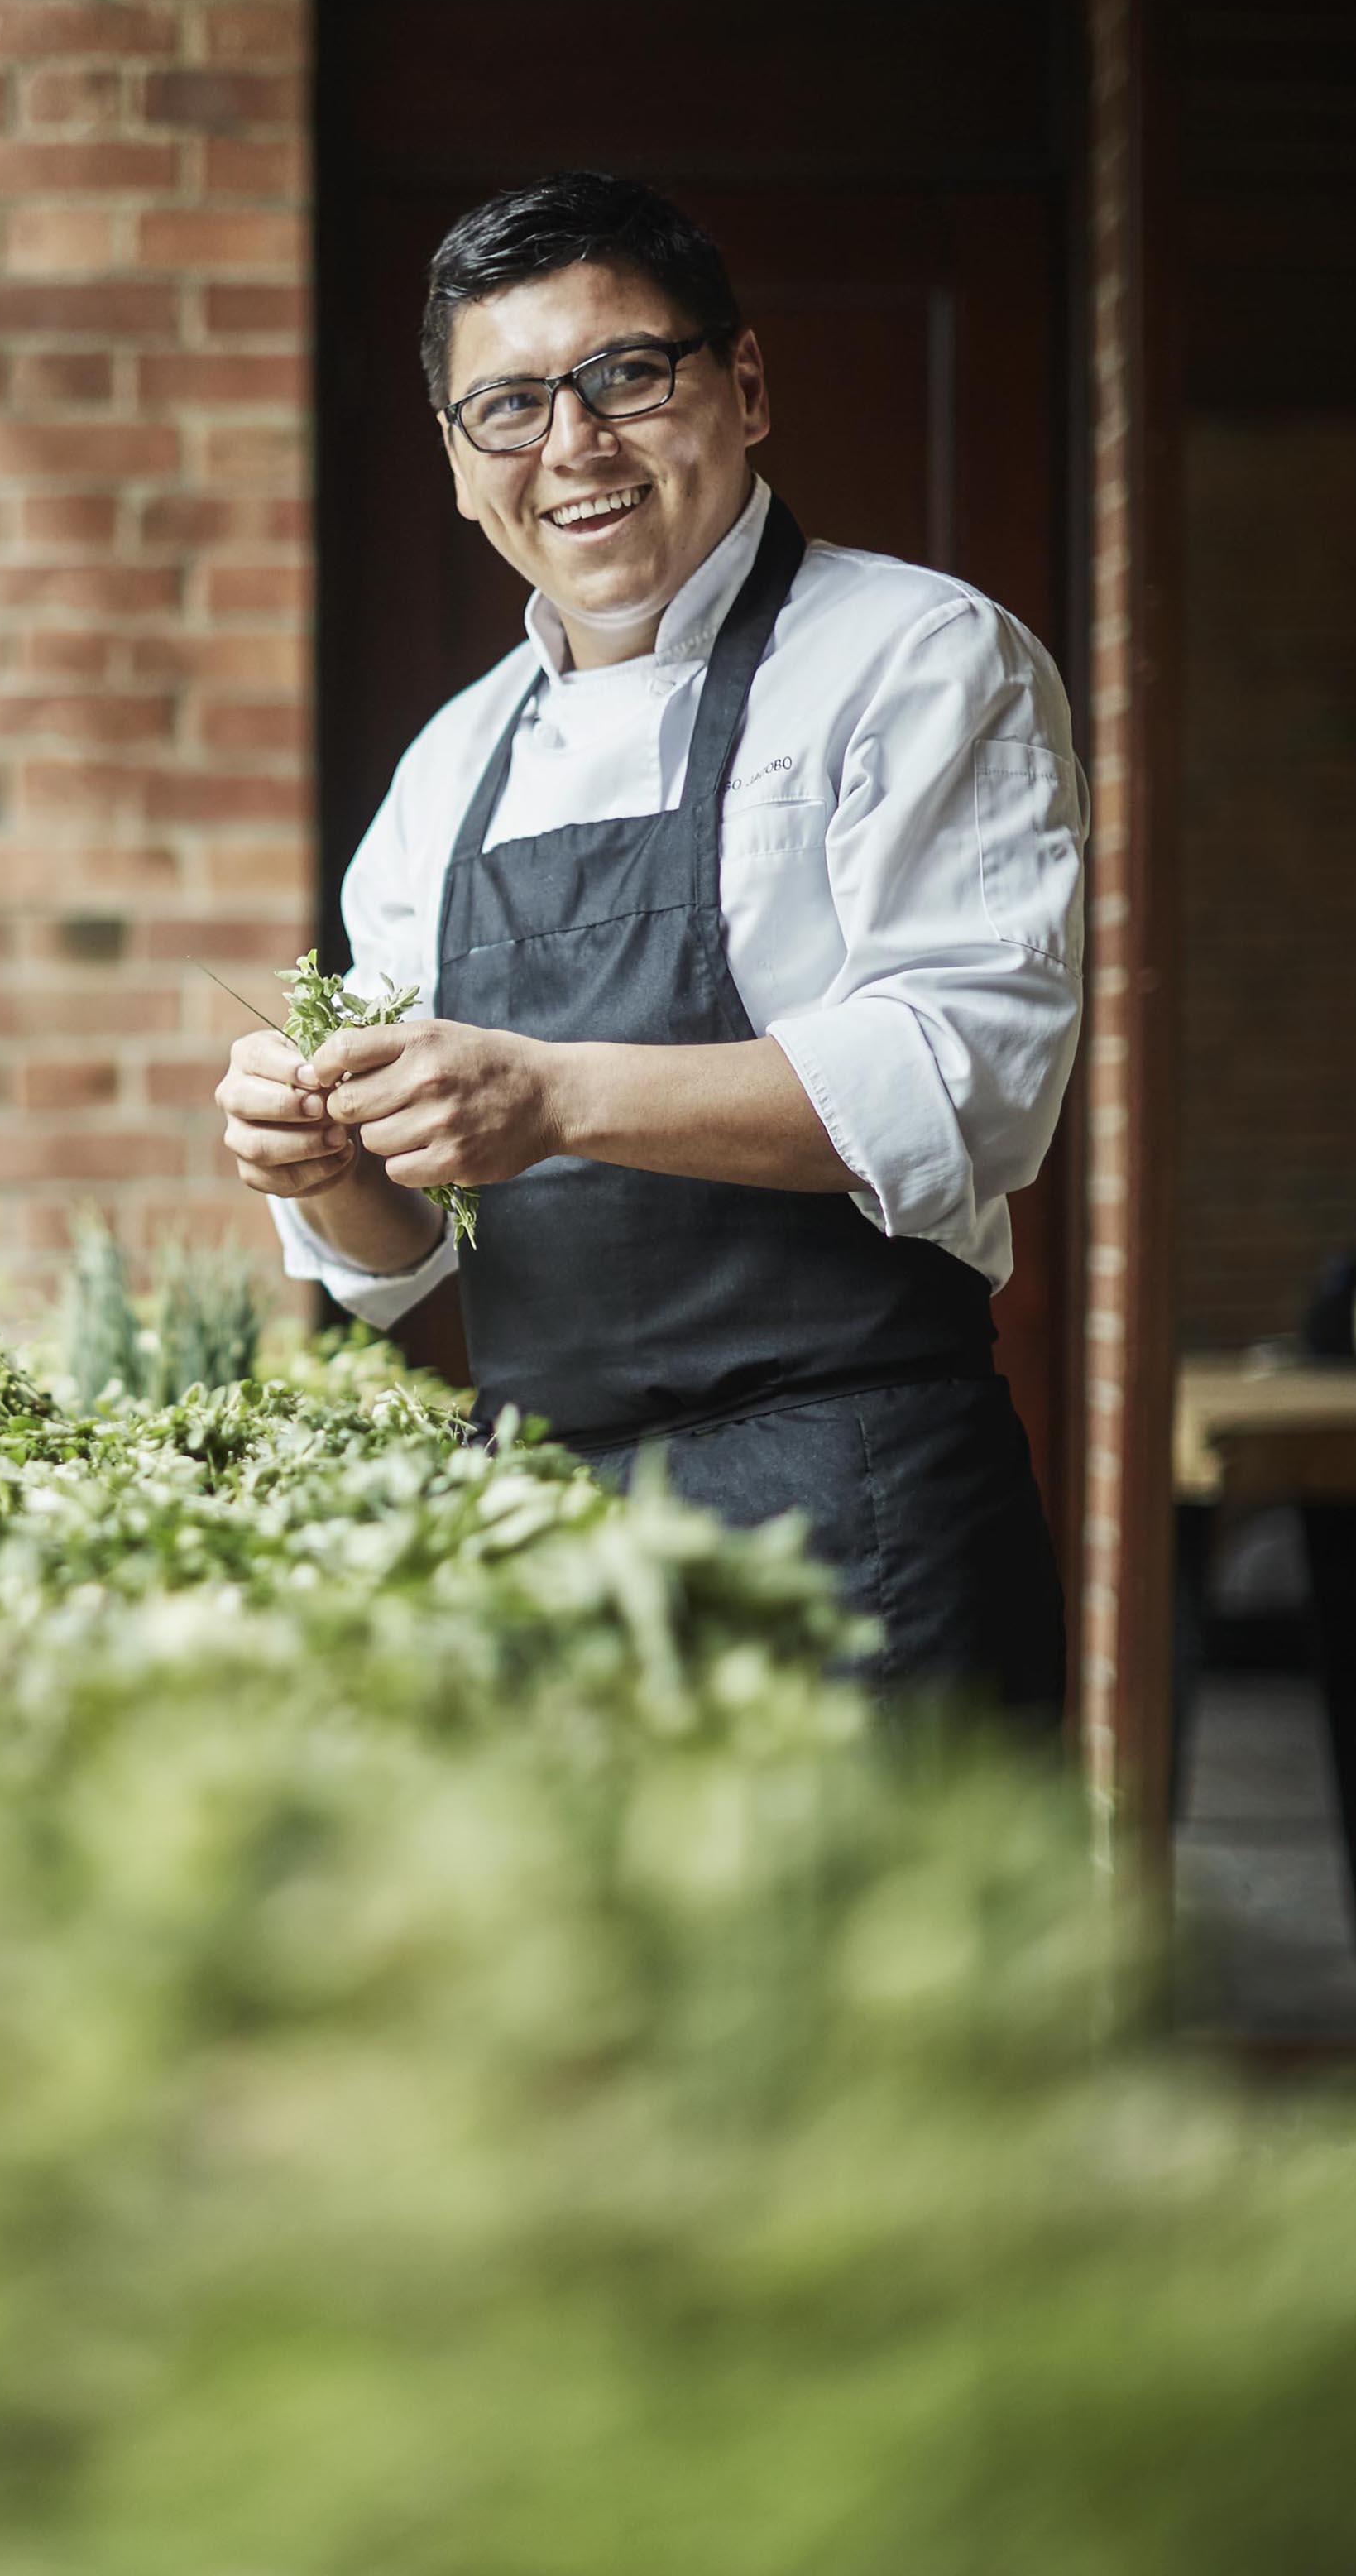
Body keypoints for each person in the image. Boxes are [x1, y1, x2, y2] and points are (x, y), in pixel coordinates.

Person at [216, 171, 1081, 1712]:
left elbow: (967, 1086)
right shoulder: (449, 767)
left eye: (625, 373)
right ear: (458, 463)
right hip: (545, 1534)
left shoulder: (918, 659)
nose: (573, 446)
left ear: (741, 387)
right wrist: (327, 1162)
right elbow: (401, 1268)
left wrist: (549, 1097)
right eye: (508, 407)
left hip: (855, 1514)